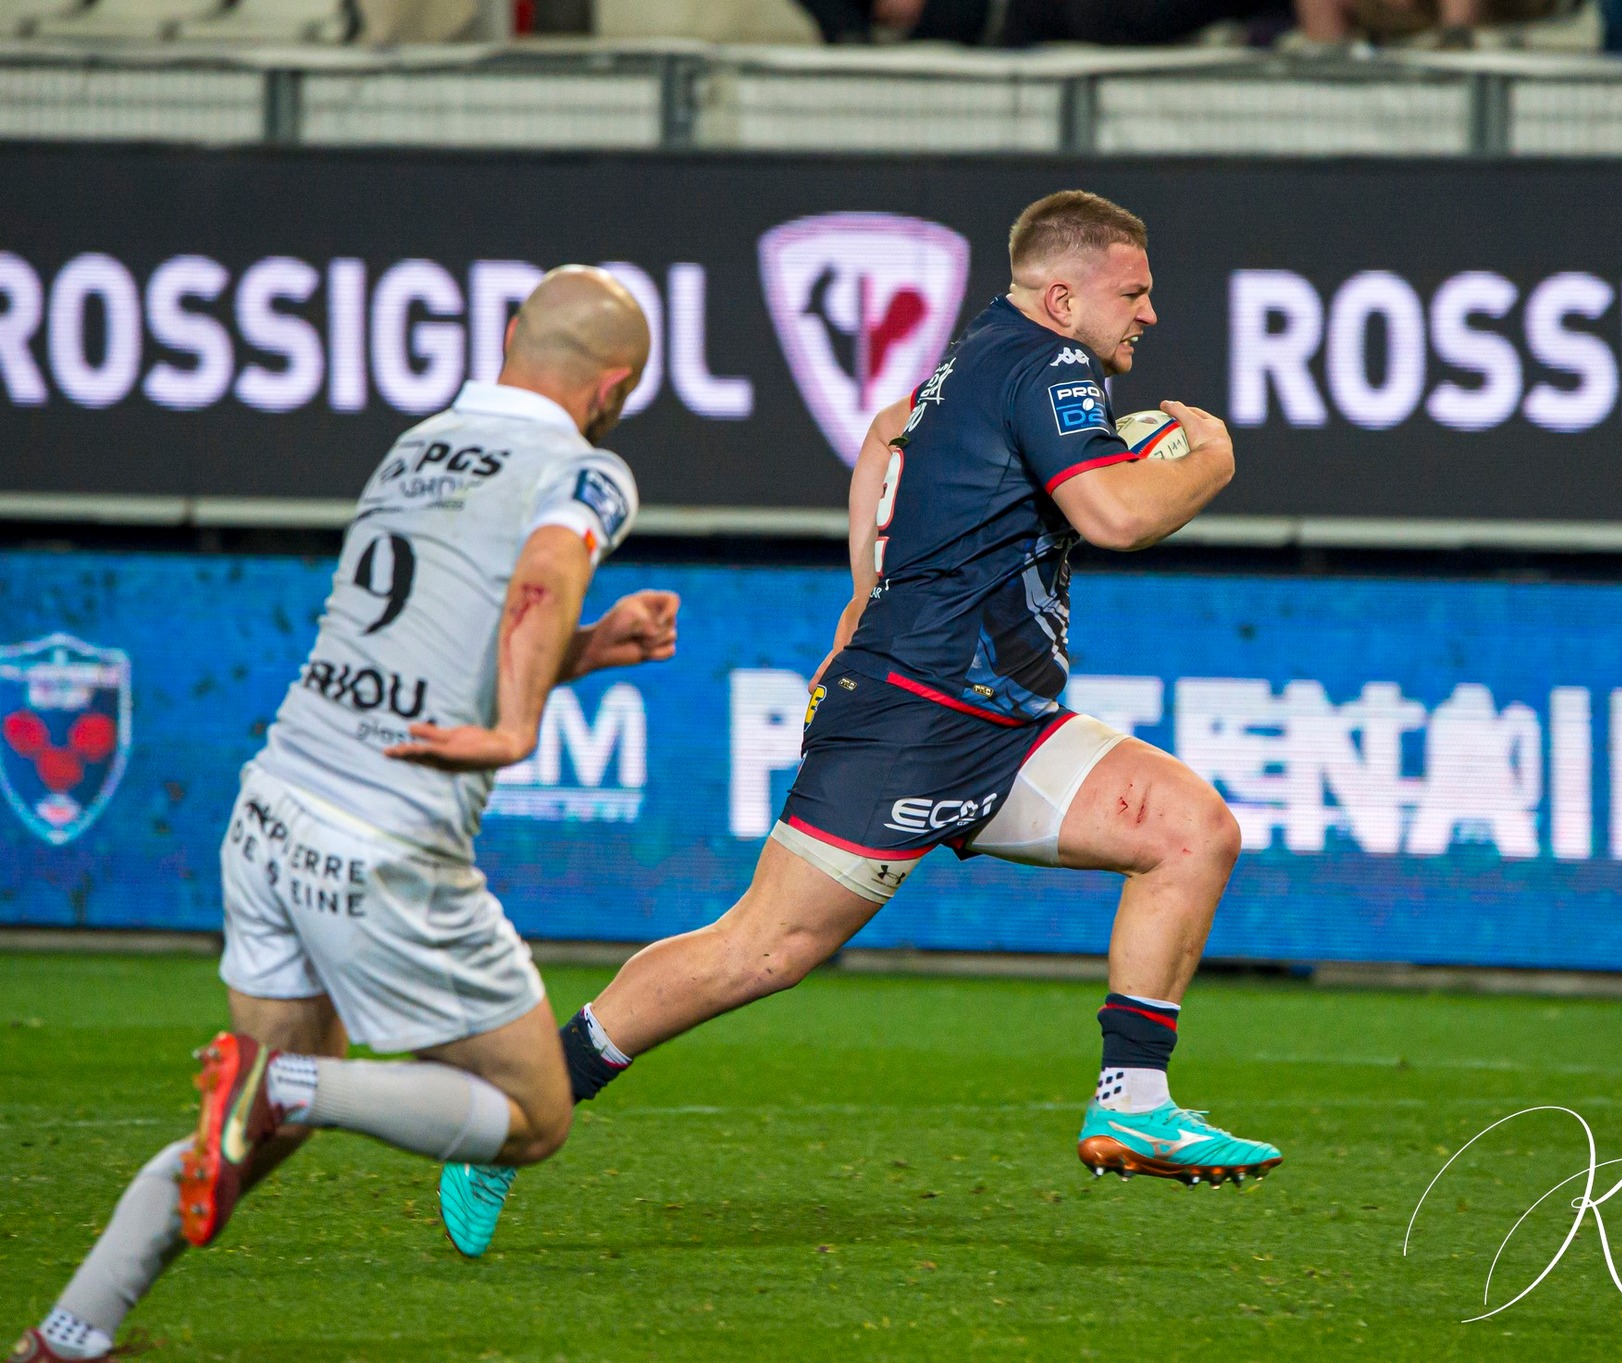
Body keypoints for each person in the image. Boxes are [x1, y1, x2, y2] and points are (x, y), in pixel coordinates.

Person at [438, 191, 1281, 1259]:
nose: (1149, 313)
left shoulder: (976, 355)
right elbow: (1112, 515)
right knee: (759, 949)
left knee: (1190, 829)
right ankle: (516, 1108)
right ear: (1062, 294)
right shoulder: (1047, 364)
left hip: (1002, 718)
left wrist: (860, 588)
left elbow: (886, 433)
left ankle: (1132, 1098)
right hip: (914, 717)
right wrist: (1209, 457)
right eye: (1134, 290)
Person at [10, 266, 680, 1362]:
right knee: (531, 1114)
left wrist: (593, 650)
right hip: (381, 841)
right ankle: (290, 1089)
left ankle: (69, 1334)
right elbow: (545, 569)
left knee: (241, 1132)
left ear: (510, 334)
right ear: (610, 389)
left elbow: (451, 637)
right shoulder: (583, 468)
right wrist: (517, 728)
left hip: (273, 807)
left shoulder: (417, 444)